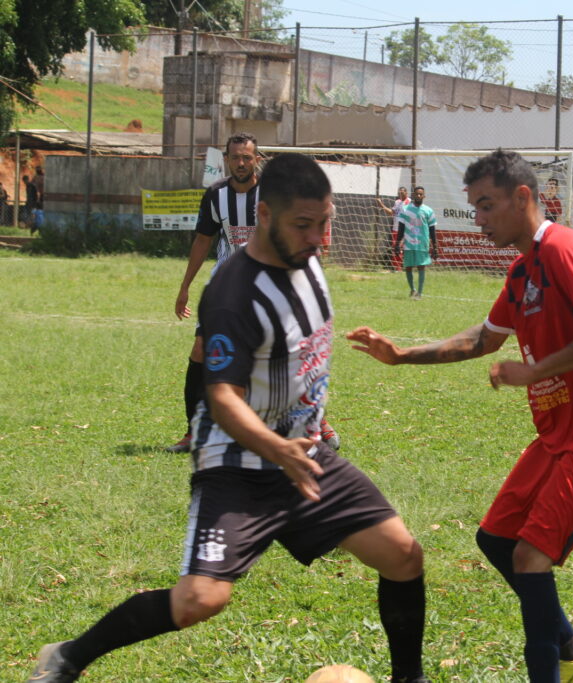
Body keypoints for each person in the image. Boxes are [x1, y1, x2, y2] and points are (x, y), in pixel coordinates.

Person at [27, 153, 429, 683]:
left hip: (304, 456)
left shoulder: (307, 261)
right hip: (239, 467)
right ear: (264, 216)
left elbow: (296, 351)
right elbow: (222, 397)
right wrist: (277, 447)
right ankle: (67, 657)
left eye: (325, 222)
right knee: (200, 600)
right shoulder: (233, 293)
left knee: (402, 556)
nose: (319, 238)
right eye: (304, 225)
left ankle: (410, 679)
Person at [348, 149, 573, 682]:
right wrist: (401, 356)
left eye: (487, 206)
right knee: (496, 539)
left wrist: (536, 372)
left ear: (523, 197)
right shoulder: (522, 270)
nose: (479, 219)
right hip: (561, 431)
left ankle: (560, 668)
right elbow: (484, 339)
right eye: (475, 207)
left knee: (530, 557)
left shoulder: (561, 247)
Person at [167, 134, 341, 454]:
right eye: (235, 157)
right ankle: (195, 432)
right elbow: (203, 241)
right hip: (229, 281)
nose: (241, 163)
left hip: (273, 278)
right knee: (201, 351)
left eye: (247, 157)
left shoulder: (273, 193)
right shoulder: (215, 194)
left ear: (256, 159)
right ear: (227, 160)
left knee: (293, 352)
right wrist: (185, 288)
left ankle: (319, 421)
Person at [393, 186, 437, 300]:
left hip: (422, 243)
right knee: (408, 267)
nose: (418, 196)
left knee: (421, 267)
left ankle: (419, 294)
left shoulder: (428, 211)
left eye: (420, 194)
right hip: (408, 243)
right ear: (413, 195)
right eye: (416, 194)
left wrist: (435, 247)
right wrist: (397, 243)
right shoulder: (405, 209)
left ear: (424, 196)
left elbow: (432, 230)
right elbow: (401, 228)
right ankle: (412, 289)